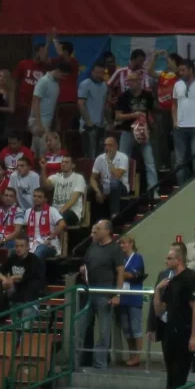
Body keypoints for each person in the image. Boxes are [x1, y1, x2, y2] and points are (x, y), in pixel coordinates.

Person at [153, 243, 195, 389]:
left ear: (179, 260)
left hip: (184, 333)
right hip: (170, 334)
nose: (166, 261)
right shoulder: (170, 281)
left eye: (169, 258)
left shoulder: (191, 278)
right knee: (171, 381)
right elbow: (159, 310)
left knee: (178, 381)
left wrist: (194, 336)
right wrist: (157, 290)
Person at [78, 220, 122, 370]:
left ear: (108, 231)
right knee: (80, 328)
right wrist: (83, 270)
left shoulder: (115, 248)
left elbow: (120, 272)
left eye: (99, 228)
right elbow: (86, 263)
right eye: (95, 228)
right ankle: (76, 362)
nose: (95, 231)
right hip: (89, 291)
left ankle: (100, 364)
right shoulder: (92, 247)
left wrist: (118, 294)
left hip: (105, 293)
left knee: (104, 331)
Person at [114, 72, 159, 199]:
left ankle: (153, 190)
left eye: (133, 80)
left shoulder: (147, 95)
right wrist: (133, 115)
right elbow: (117, 116)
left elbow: (151, 113)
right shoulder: (124, 96)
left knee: (149, 161)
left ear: (139, 80)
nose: (131, 83)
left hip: (143, 131)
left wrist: (151, 127)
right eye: (129, 81)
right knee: (122, 161)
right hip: (128, 131)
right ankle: (124, 189)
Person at [0, 234, 46, 325]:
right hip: (15, 297)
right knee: (16, 328)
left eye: (22, 246)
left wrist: (12, 278)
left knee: (25, 328)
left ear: (27, 247)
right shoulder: (12, 258)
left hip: (29, 298)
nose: (18, 249)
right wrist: (4, 279)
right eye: (17, 246)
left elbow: (28, 276)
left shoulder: (34, 260)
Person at [113, 234, 145, 367]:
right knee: (126, 328)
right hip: (122, 296)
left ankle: (137, 356)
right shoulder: (121, 259)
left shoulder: (137, 258)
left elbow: (131, 274)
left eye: (124, 243)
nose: (122, 246)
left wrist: (119, 273)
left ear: (131, 243)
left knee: (135, 328)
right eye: (120, 244)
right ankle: (132, 355)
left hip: (134, 296)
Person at [91, 136, 129, 217]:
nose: (107, 148)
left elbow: (117, 176)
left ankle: (115, 215)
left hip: (121, 187)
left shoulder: (123, 157)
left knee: (114, 183)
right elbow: (92, 178)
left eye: (110, 145)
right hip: (105, 187)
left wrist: (109, 160)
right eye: (105, 145)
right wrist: (97, 190)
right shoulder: (99, 158)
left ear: (116, 146)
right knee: (89, 189)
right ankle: (91, 220)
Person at [77, 62, 109, 159]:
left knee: (100, 156)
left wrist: (105, 121)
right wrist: (89, 123)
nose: (99, 75)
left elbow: (104, 105)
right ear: (92, 72)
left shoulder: (104, 85)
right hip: (89, 126)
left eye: (101, 72)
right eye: (97, 72)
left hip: (101, 125)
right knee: (91, 157)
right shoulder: (85, 84)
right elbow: (80, 104)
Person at [25, 187, 65, 259]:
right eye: (34, 196)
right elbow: (24, 229)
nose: (36, 198)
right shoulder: (28, 212)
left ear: (45, 199)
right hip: (31, 244)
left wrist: (50, 238)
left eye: (39, 197)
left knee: (39, 251)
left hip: (49, 244)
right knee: (13, 251)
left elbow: (62, 224)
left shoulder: (52, 210)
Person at [47, 155, 86, 227]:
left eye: (66, 162)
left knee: (60, 218)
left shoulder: (78, 178)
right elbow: (44, 184)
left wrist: (58, 213)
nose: (63, 164)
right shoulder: (57, 177)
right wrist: (43, 169)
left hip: (72, 212)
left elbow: (73, 200)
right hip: (56, 212)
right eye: (62, 162)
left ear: (73, 165)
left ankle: (54, 237)